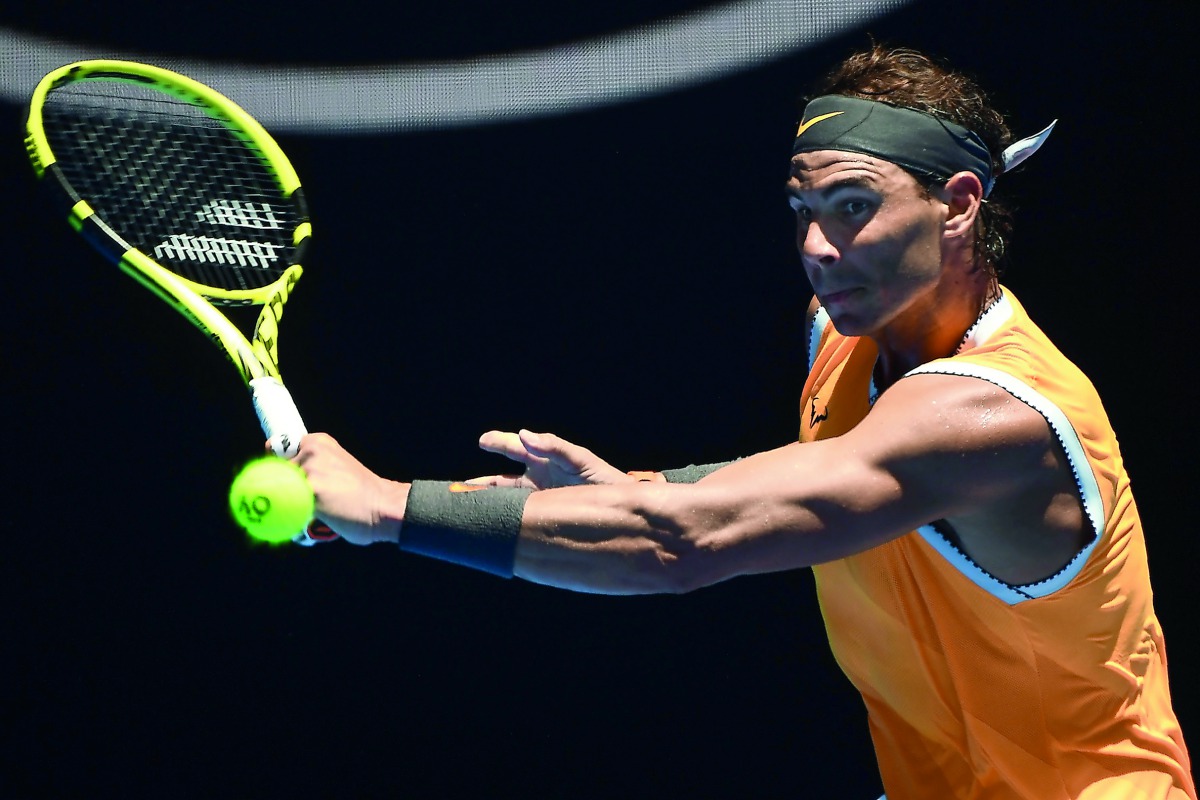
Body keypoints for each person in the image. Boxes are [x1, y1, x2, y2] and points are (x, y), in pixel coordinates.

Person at [292, 44, 1194, 799]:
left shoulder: (992, 414)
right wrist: (631, 489)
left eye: (854, 207)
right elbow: (800, 476)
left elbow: (680, 543)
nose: (817, 247)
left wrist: (388, 507)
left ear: (958, 205)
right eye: (804, 212)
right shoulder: (841, 338)